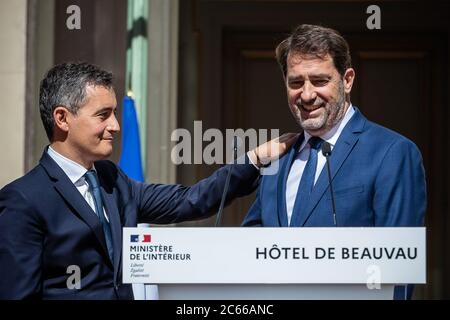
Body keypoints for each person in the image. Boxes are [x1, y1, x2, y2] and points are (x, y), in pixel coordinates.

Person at [0, 62, 296, 300]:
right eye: (103, 115)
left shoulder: (112, 179)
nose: (114, 126)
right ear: (62, 119)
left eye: (115, 113)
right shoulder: (22, 200)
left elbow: (189, 200)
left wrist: (255, 158)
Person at [242, 24, 427, 298]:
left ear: (347, 80)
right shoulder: (278, 157)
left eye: (319, 81)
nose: (306, 95)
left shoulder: (393, 152)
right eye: (296, 83)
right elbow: (248, 249)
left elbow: (397, 271)